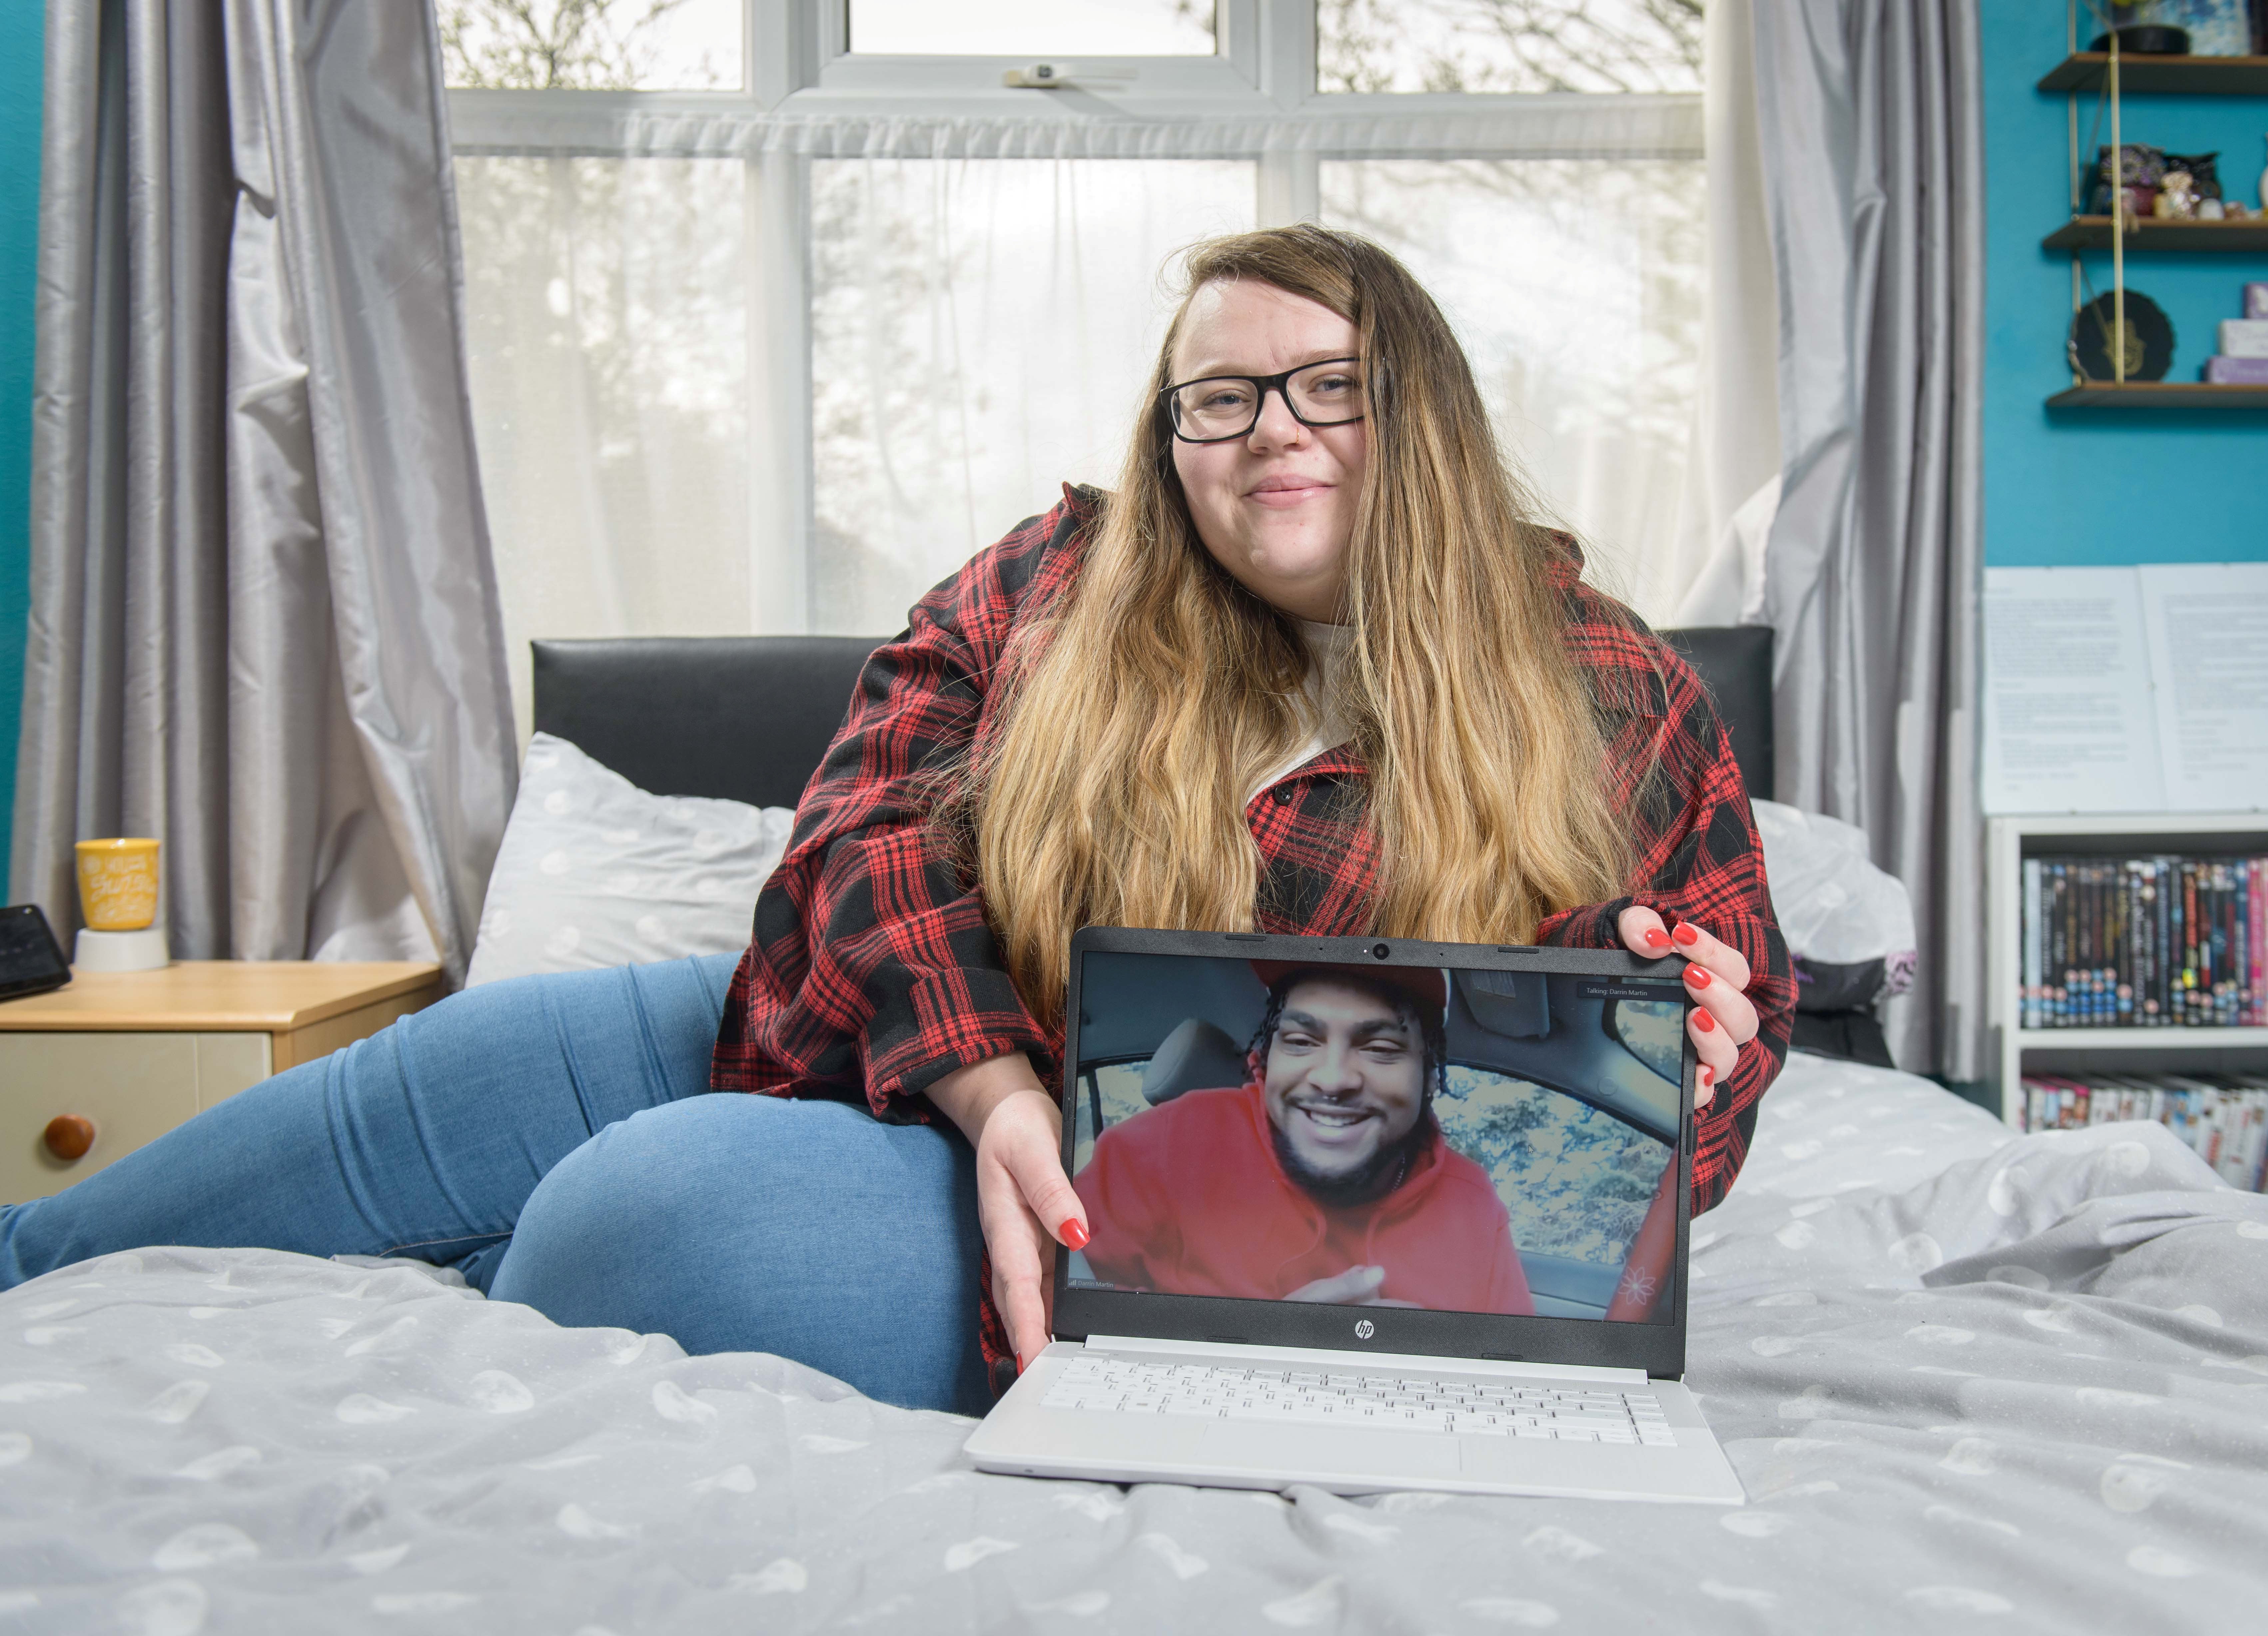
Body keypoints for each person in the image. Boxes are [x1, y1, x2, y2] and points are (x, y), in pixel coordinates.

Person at [0, 224, 1791, 1414]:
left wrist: (1669, 1039)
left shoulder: (1613, 693)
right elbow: (857, 846)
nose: (1273, 432)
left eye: (1332, 383)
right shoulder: (1056, 579)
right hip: (859, 1046)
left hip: (1130, 1217)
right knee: (412, 1089)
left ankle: (436, 1303)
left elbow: (1677, 1123)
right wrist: (999, 1085)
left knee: (632, 1222)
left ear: (1425, 408)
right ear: (1172, 435)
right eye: (1220, 398)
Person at [1073, 964, 1536, 1315]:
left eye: (1381, 1050)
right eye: (1300, 1041)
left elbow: (1514, 1376)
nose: (1333, 1080)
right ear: (1268, 1057)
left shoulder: (1474, 1205)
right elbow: (1059, 1307)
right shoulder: (1162, 1145)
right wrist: (1259, 1345)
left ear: (1430, 1078)